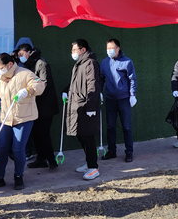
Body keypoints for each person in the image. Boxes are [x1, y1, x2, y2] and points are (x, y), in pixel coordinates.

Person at [0, 52, 44, 191]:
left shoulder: (25, 74)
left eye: (0, 68)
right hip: (5, 119)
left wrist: (28, 90)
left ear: (10, 64)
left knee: (18, 149)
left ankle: (18, 177)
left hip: (23, 118)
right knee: (1, 148)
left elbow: (40, 85)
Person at [15, 42, 60, 169]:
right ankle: (41, 159)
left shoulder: (41, 64)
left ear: (29, 52)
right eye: (19, 55)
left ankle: (51, 161)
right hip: (34, 105)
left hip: (45, 106)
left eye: (22, 54)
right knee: (35, 133)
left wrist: (29, 91)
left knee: (43, 134)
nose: (21, 57)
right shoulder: (27, 65)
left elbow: (44, 84)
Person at [63, 39, 101, 180]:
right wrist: (66, 91)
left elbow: (93, 85)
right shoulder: (79, 64)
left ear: (83, 50)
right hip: (77, 105)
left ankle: (93, 168)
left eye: (75, 50)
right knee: (81, 135)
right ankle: (88, 162)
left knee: (87, 136)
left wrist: (91, 106)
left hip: (86, 106)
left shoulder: (90, 63)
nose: (72, 52)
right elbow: (74, 83)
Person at [100, 39, 137, 162]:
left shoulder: (127, 62)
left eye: (112, 48)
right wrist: (99, 92)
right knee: (110, 127)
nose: (109, 50)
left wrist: (132, 95)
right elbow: (101, 79)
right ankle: (112, 151)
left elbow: (132, 79)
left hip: (124, 100)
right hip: (110, 100)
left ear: (118, 49)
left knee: (126, 127)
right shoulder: (104, 63)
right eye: (107, 48)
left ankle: (129, 152)